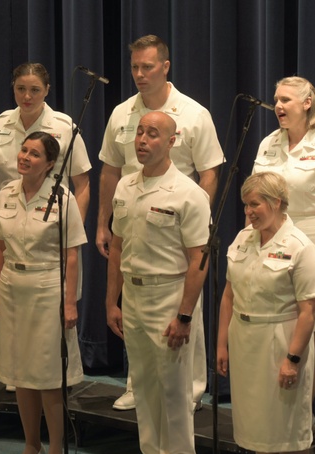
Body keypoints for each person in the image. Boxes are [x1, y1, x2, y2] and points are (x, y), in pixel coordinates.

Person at [97, 34, 224, 411]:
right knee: (136, 308)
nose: (139, 74)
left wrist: (195, 221)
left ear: (165, 67)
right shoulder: (122, 113)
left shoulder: (193, 113)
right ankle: (138, 384)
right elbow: (109, 170)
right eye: (134, 67)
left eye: (147, 67)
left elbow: (210, 172)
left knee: (183, 309)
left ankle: (191, 390)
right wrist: (104, 223)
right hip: (133, 216)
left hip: (177, 221)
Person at [105, 111, 210, 454]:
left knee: (175, 387)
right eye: (140, 133)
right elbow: (116, 246)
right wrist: (110, 300)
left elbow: (199, 257)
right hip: (133, 294)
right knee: (144, 383)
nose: (143, 140)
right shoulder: (125, 187)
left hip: (170, 294)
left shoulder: (188, 192)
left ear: (172, 141)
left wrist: (184, 314)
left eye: (154, 134)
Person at [217, 172, 315, 454]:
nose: (249, 212)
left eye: (255, 204)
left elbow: (309, 310)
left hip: (281, 338)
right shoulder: (243, 239)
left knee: (286, 424)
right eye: (246, 205)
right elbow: (228, 294)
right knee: (259, 420)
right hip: (245, 336)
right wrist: (221, 343)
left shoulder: (300, 246)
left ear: (276, 203)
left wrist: (293, 359)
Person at [0, 132, 86, 454]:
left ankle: (56, 448)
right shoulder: (6, 193)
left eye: (34, 154)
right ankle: (31, 445)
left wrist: (69, 302)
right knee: (20, 374)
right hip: (13, 286)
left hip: (48, 288)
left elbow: (71, 254)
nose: (25, 157)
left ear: (49, 164)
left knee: (47, 377)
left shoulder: (63, 198)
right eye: (23, 150)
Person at [252, 76, 315, 399]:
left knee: (308, 329)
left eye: (286, 100)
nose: (278, 106)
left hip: (311, 240)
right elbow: (254, 197)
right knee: (278, 323)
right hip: (270, 239)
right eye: (276, 99)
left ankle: (304, 409)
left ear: (307, 104)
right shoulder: (268, 143)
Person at [0, 62, 91, 261]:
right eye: (21, 89)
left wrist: (72, 231)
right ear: (13, 87)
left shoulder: (64, 127)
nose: (27, 96)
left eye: (35, 90)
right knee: (6, 286)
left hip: (51, 225)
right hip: (8, 223)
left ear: (47, 90)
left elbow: (82, 184)